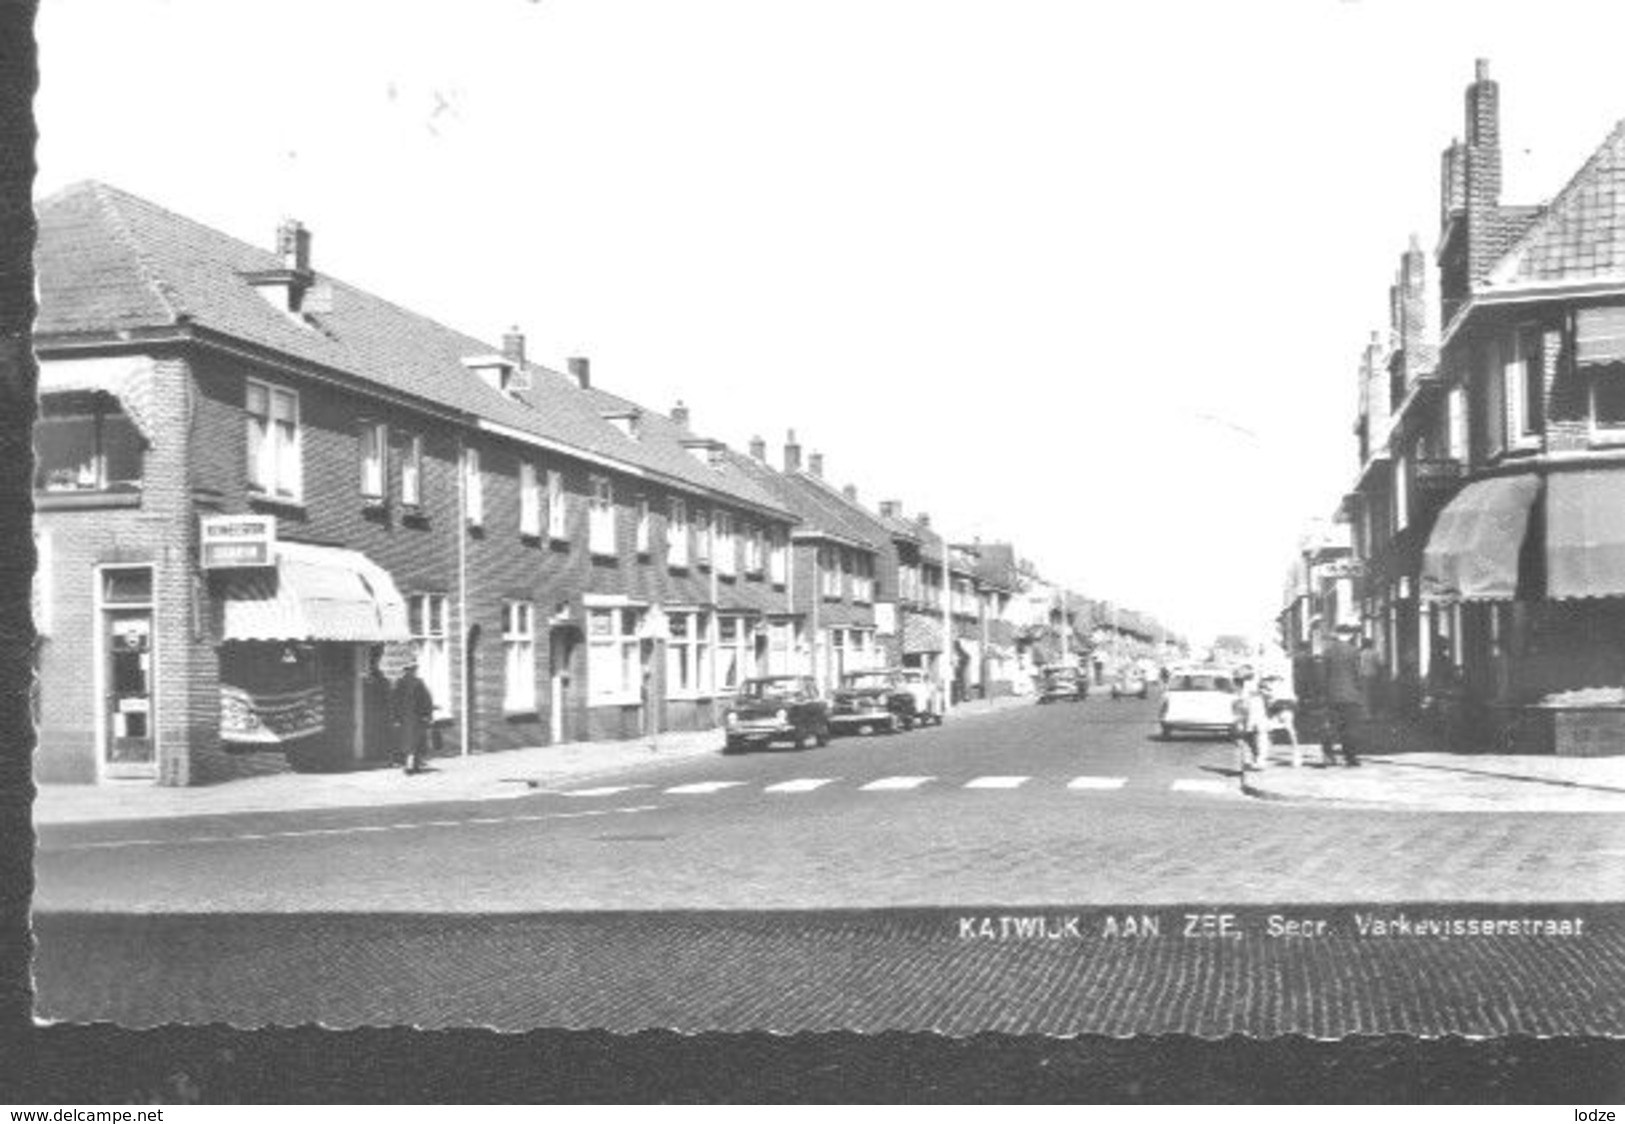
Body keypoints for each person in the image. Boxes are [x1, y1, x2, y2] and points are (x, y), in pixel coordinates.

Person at [1319, 625, 1364, 767]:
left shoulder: (1328, 651)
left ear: (1337, 635)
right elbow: (1358, 675)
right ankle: (1350, 757)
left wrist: (1323, 693)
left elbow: (1322, 676)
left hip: (1331, 695)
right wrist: (1359, 691)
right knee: (1350, 727)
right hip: (1351, 695)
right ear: (1350, 635)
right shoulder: (1354, 651)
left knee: (1330, 726)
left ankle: (1328, 756)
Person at [390, 660, 435, 774]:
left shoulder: (399, 683)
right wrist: (427, 715)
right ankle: (412, 766)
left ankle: (409, 764)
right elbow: (426, 700)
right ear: (413, 670)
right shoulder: (418, 683)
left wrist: (395, 718)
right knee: (415, 742)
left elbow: (394, 702)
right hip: (416, 718)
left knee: (407, 742)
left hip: (404, 719)